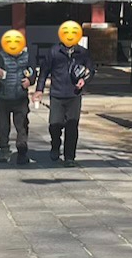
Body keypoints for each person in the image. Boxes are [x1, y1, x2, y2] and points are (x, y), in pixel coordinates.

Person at [37, 20, 94, 165]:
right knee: (54, 125)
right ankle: (55, 145)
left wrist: (84, 80)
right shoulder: (54, 52)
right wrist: (39, 90)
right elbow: (44, 72)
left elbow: (91, 70)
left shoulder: (83, 53)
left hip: (74, 95)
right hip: (57, 94)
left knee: (72, 126)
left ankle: (70, 157)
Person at [0, 28, 36, 163]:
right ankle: (4, 150)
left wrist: (29, 81)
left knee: (22, 125)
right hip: (3, 97)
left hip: (20, 97)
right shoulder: (0, 56)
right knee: (3, 125)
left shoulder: (28, 56)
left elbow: (33, 72)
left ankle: (22, 152)